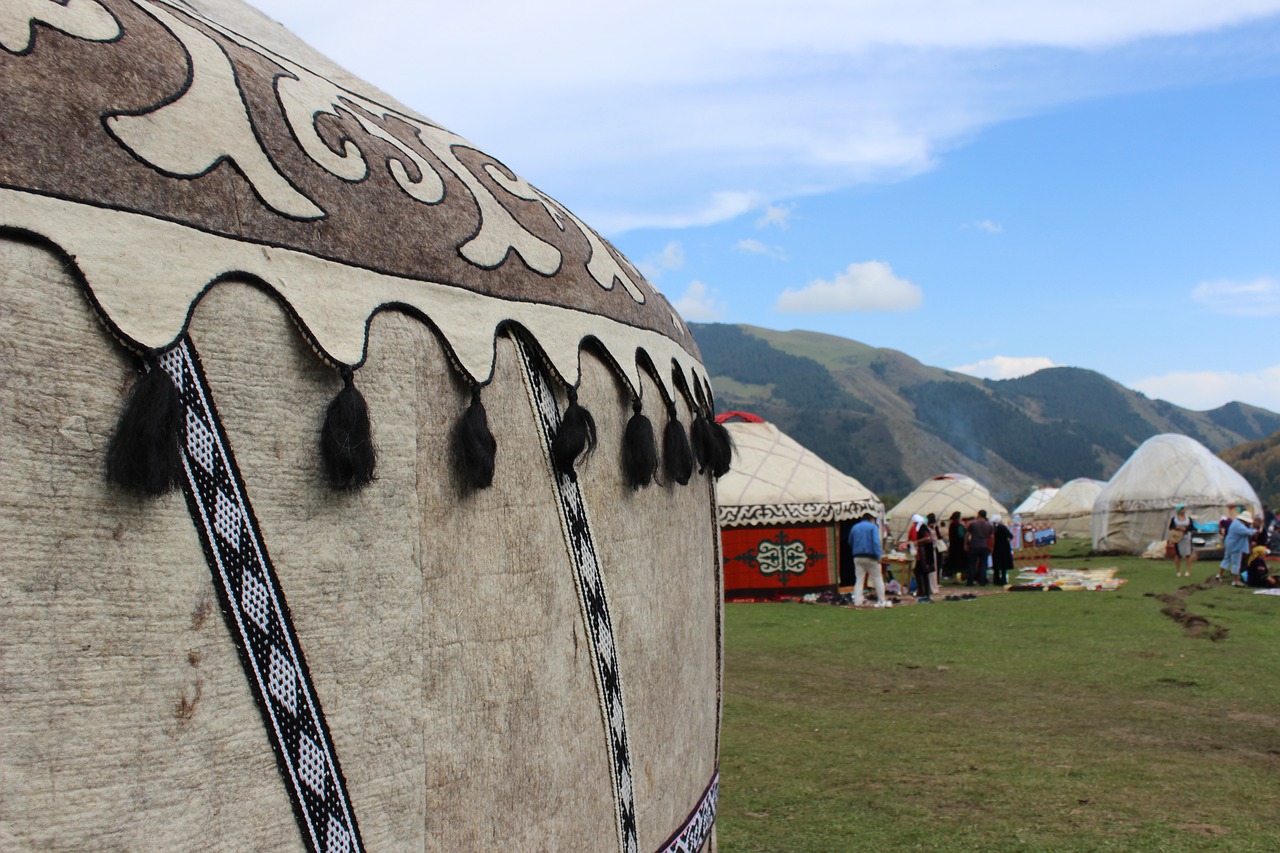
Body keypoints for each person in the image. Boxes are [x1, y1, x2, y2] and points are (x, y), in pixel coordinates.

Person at [848, 512, 889, 608]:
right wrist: (879, 556)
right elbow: (876, 542)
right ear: (871, 519)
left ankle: (857, 601)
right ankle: (881, 600)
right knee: (877, 578)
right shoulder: (872, 527)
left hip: (857, 556)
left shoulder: (854, 527)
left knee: (859, 580)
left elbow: (850, 541)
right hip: (871, 557)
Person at [1220, 509, 1254, 586]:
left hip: (1230, 544)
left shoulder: (1235, 523)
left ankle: (1219, 575)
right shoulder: (1239, 526)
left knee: (1226, 560)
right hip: (1236, 546)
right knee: (1236, 563)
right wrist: (1255, 531)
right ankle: (1235, 580)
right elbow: (1248, 532)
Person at [966, 509, 993, 587]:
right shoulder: (989, 525)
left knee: (972, 564)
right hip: (984, 546)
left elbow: (967, 534)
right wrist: (991, 546)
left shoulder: (973, 524)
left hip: (974, 545)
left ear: (978, 515)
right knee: (983, 564)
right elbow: (991, 537)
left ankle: (970, 581)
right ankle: (982, 581)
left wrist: (966, 544)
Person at [913, 514, 936, 603]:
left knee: (922, 572)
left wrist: (917, 542)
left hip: (924, 554)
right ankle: (923, 592)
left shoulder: (923, 529)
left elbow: (927, 538)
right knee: (920, 572)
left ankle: (924, 592)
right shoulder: (923, 528)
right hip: (923, 553)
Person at [1168, 503, 1196, 578]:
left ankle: (1187, 571)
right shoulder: (1174, 519)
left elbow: (1192, 528)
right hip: (1178, 537)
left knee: (1188, 554)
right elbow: (1170, 527)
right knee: (1178, 554)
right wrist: (1176, 528)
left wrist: (1186, 529)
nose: (1184, 510)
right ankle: (1178, 571)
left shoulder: (1188, 519)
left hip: (1186, 537)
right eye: (1182, 509)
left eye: (1184, 509)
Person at [990, 514, 1014, 586]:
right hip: (1004, 547)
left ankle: (996, 580)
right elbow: (1010, 536)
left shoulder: (992, 528)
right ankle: (1004, 580)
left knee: (996, 564)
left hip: (995, 547)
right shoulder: (1003, 527)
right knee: (1004, 565)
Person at [945, 511, 967, 581]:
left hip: (953, 546)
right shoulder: (959, 526)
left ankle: (954, 578)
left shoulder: (951, 525)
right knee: (959, 564)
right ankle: (959, 578)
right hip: (959, 547)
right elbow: (962, 535)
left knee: (954, 563)